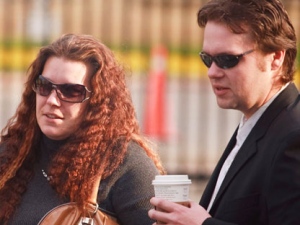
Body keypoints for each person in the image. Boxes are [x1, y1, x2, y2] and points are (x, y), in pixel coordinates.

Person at [148, 0, 300, 224]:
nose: (212, 72)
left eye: (227, 60)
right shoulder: (257, 121)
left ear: (276, 57)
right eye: (207, 59)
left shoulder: (293, 137)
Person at [0, 33, 165, 225]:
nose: (52, 100)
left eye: (71, 91)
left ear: (98, 102)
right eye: (44, 86)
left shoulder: (124, 164)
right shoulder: (12, 155)